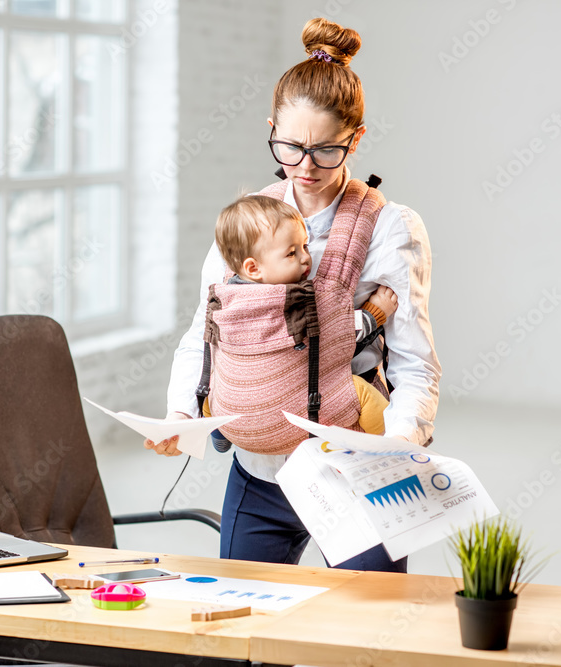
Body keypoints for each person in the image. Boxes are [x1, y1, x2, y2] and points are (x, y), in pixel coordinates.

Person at [145, 17, 442, 573]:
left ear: (356, 138)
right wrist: (179, 412)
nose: (305, 167)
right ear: (271, 129)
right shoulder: (244, 224)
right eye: (290, 146)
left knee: (362, 642)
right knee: (245, 637)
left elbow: (417, 365)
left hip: (352, 474)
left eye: (326, 150)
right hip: (258, 476)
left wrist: (398, 443)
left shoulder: (389, 227)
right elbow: (204, 333)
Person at [206, 193, 398, 443]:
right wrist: (376, 312)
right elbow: (336, 335)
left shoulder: (224, 298)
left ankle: (219, 432)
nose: (306, 257)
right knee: (361, 391)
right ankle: (388, 444)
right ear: (253, 268)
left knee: (218, 379)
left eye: (305, 246)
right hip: (299, 413)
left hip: (234, 414)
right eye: (291, 253)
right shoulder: (293, 300)